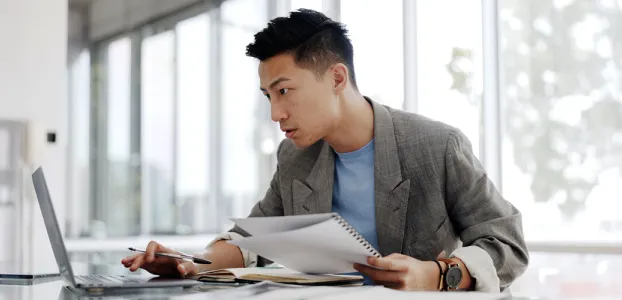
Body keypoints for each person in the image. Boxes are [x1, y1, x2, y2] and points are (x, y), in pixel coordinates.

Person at [122, 8, 528, 292]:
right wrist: (191, 262)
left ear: (336, 77)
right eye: (267, 96)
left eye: (284, 91)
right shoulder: (295, 157)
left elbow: (507, 245)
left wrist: (438, 275)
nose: (275, 113)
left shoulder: (437, 146)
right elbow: (252, 238)